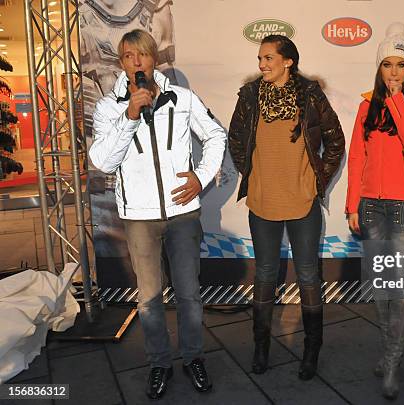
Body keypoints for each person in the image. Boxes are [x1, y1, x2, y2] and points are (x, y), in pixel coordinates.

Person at [89, 29, 226, 400]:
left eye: (143, 55)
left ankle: (193, 357)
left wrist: (201, 176)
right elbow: (101, 161)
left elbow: (216, 135)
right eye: (128, 56)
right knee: (149, 299)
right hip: (138, 218)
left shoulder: (181, 98)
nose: (136, 61)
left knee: (189, 295)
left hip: (183, 214)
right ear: (121, 63)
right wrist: (130, 115)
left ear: (153, 60)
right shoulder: (108, 107)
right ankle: (159, 363)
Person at [228, 35, 345, 380]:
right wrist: (251, 172)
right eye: (260, 58)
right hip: (262, 201)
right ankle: (261, 347)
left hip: (302, 202)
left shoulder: (310, 95)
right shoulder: (250, 96)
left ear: (287, 61)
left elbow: (335, 140)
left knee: (308, 275)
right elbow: (236, 138)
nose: (262, 64)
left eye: (268, 58)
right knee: (264, 275)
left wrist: (316, 178)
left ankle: (311, 351)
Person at [345, 23, 404, 400]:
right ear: (378, 68)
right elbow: (356, 157)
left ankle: (393, 363)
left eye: (400, 65)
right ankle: (389, 351)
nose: (394, 72)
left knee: (399, 290)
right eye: (387, 65)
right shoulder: (366, 106)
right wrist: (352, 204)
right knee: (380, 288)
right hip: (371, 208)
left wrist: (397, 100)